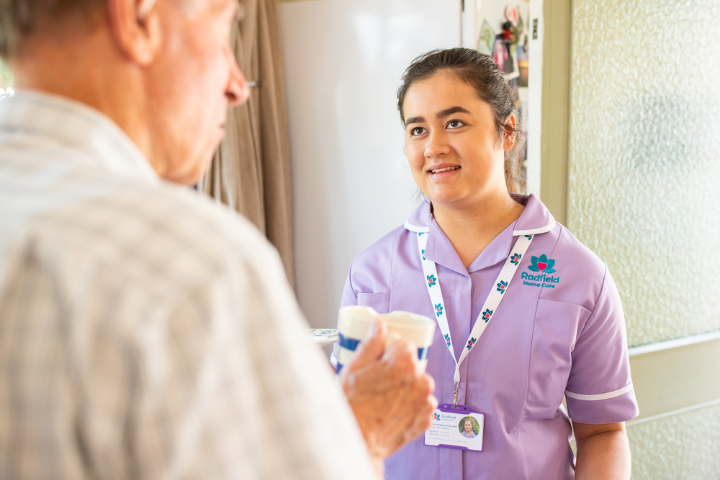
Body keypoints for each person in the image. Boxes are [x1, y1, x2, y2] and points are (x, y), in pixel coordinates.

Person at [0, 0, 437, 478]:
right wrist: (361, 438)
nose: (236, 85)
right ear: (138, 19)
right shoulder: (196, 266)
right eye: (223, 35)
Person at [333, 48, 639, 479]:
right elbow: (346, 426)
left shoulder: (578, 276)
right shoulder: (371, 274)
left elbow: (603, 431)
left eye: (454, 123)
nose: (434, 147)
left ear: (507, 131)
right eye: (417, 129)